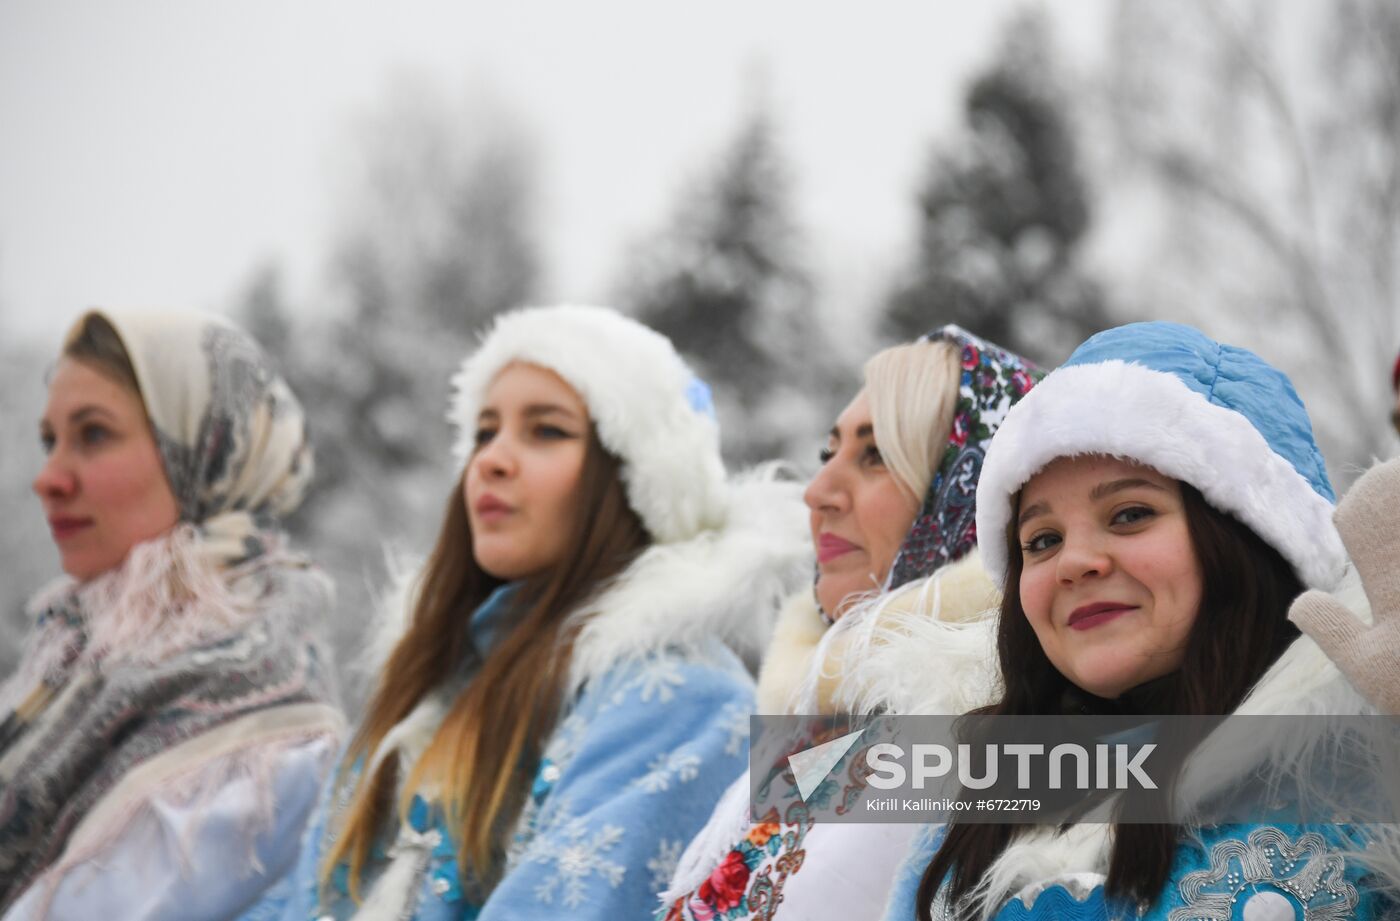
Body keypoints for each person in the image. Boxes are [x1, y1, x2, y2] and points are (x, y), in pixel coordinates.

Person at [250, 304, 810, 920]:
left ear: (638, 477)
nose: (491, 459)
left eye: (546, 431)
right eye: (484, 432)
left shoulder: (685, 699)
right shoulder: (435, 683)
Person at [882, 321, 1399, 921]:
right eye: (1042, 539)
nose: (1074, 562)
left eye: (1129, 514)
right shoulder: (966, 803)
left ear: (1246, 535)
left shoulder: (1363, 770)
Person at [658, 326, 1040, 921]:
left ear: (969, 495)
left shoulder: (980, 745)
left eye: (876, 456)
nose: (817, 492)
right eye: (827, 454)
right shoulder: (822, 728)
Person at [0, 309, 343, 919]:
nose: (48, 478)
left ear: (208, 453)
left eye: (94, 434)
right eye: (50, 441)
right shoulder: (72, 654)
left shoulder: (260, 727)